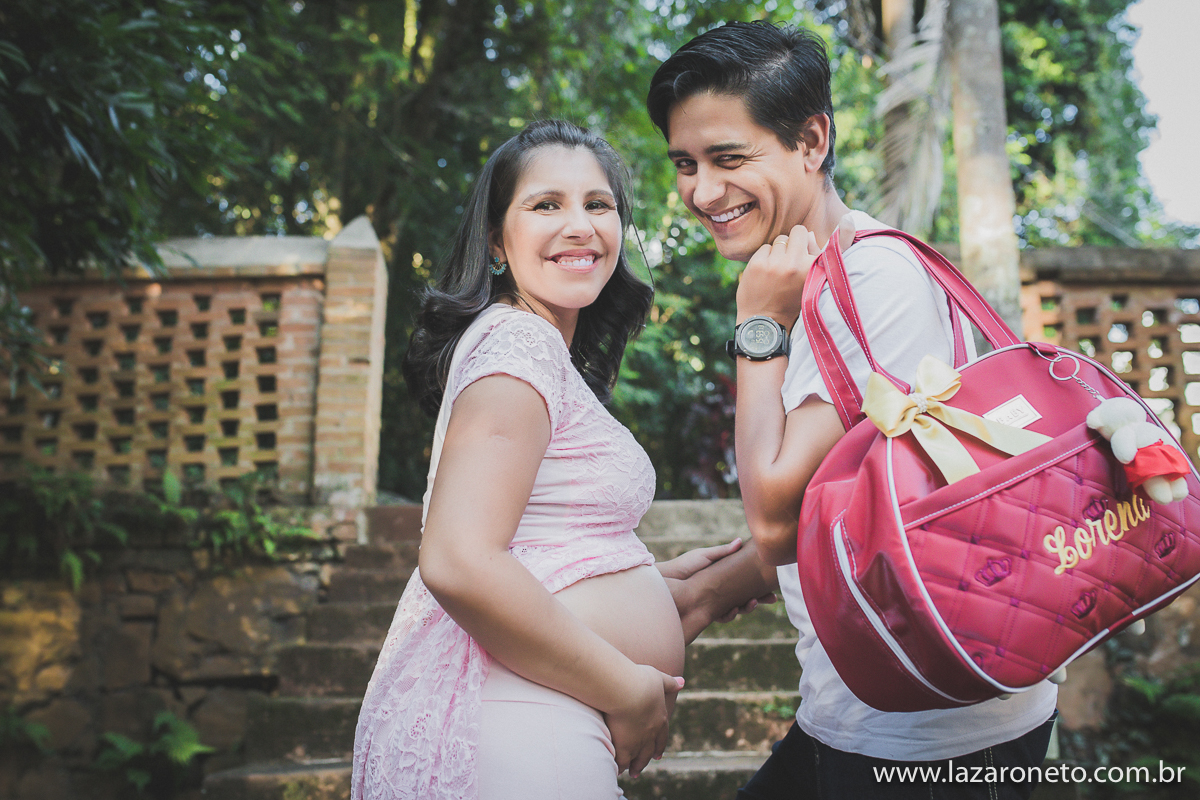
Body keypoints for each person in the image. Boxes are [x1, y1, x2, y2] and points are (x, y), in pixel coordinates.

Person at [646, 21, 1059, 800]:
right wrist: (717, 585)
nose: (701, 192)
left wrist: (757, 326)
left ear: (811, 140)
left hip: (927, 742)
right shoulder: (831, 277)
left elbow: (774, 514)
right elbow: (848, 501)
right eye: (685, 164)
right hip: (864, 705)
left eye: (729, 159)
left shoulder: (871, 283)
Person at [350, 119, 761, 800]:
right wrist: (626, 686)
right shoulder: (519, 344)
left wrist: (657, 585)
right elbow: (456, 559)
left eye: (598, 205)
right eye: (547, 205)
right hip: (512, 720)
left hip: (530, 712)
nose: (580, 225)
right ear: (495, 240)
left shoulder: (537, 349)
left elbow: (534, 553)